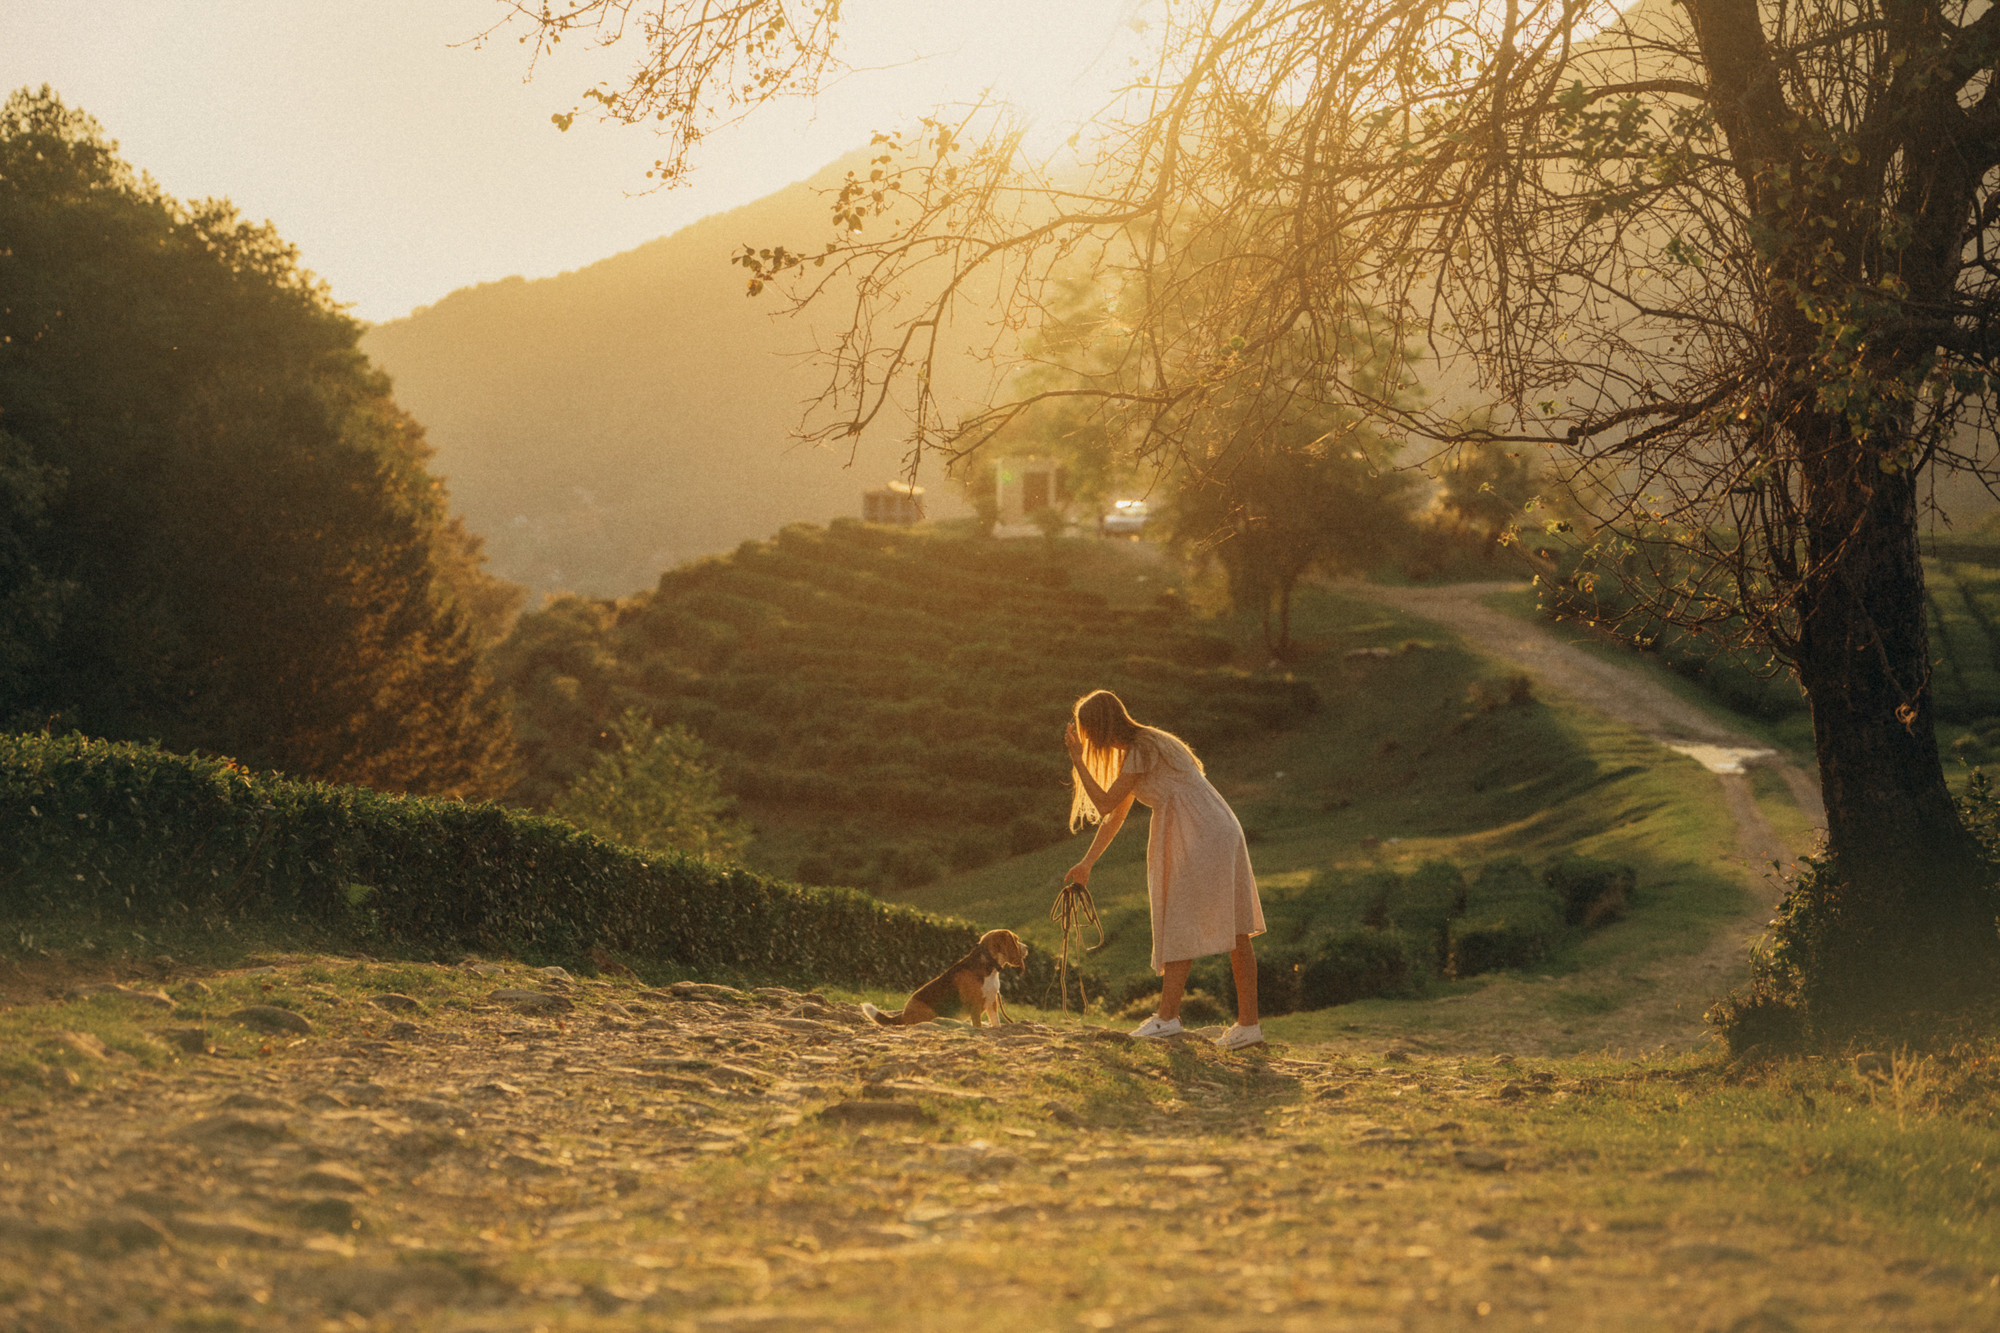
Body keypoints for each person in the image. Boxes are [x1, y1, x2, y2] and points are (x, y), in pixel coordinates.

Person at [1062, 689, 1266, 1049]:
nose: (1089, 741)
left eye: (1088, 732)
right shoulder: (1145, 746)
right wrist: (1087, 863)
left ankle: (1168, 1018)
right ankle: (1247, 1026)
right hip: (1212, 825)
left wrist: (1078, 759)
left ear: (1100, 726)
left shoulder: (1142, 746)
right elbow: (1116, 815)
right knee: (1235, 927)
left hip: (1197, 828)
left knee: (1183, 918)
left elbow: (1106, 802)